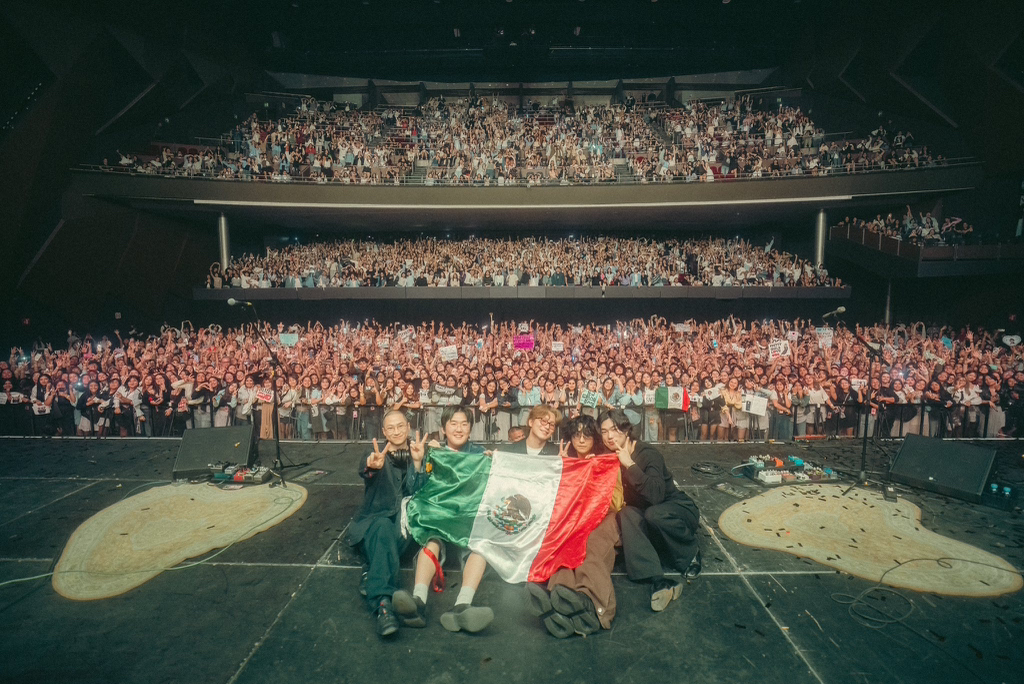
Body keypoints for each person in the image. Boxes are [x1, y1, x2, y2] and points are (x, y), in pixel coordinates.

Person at [391, 406, 494, 633]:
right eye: (453, 424)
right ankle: (418, 601)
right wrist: (418, 463)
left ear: (470, 427)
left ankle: (462, 606)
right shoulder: (432, 452)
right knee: (432, 541)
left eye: (464, 424)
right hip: (439, 516)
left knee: (479, 546)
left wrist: (493, 467)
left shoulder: (480, 455)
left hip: (467, 517)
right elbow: (414, 491)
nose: (459, 429)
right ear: (443, 428)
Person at [527, 415, 623, 638]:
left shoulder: (606, 461)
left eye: (587, 435)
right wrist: (563, 471)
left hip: (604, 518)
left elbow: (616, 502)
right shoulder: (565, 461)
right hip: (575, 519)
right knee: (564, 546)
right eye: (576, 434)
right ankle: (558, 602)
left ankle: (595, 607)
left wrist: (592, 473)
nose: (581, 439)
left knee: (590, 548)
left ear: (594, 438)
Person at [599, 409, 701, 612]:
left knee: (653, 513)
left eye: (615, 429)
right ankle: (658, 580)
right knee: (626, 514)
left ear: (627, 430)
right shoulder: (610, 456)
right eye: (603, 431)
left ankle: (691, 553)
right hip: (648, 514)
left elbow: (656, 495)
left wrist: (629, 464)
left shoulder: (647, 454)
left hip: (675, 509)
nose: (610, 436)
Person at [347, 410, 430, 637]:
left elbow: (421, 492)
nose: (396, 431)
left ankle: (372, 566)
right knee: (383, 527)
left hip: (405, 526)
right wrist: (373, 466)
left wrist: (418, 463)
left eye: (400, 426)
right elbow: (367, 469)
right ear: (383, 432)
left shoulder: (419, 452)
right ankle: (383, 605)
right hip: (375, 522)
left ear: (408, 427)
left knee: (412, 527)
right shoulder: (373, 453)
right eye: (390, 428)